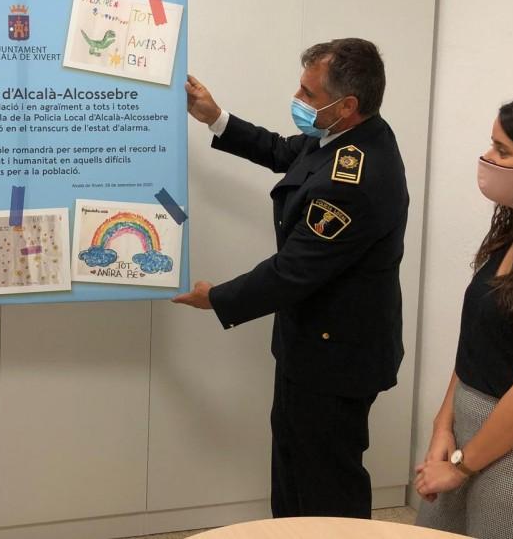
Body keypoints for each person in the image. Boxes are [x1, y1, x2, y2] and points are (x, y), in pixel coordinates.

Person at [173, 37, 408, 518]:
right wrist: (216, 117)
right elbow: (286, 151)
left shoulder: (354, 180)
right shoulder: (350, 135)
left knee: (326, 484)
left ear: (347, 105)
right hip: (313, 344)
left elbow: (292, 271)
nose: (297, 99)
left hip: (336, 357)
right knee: (295, 465)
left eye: (308, 93)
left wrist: (217, 297)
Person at [415, 95, 513, 539]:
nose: (488, 158)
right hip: (471, 434)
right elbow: (477, 342)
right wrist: (443, 426)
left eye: (503, 151)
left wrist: (460, 467)